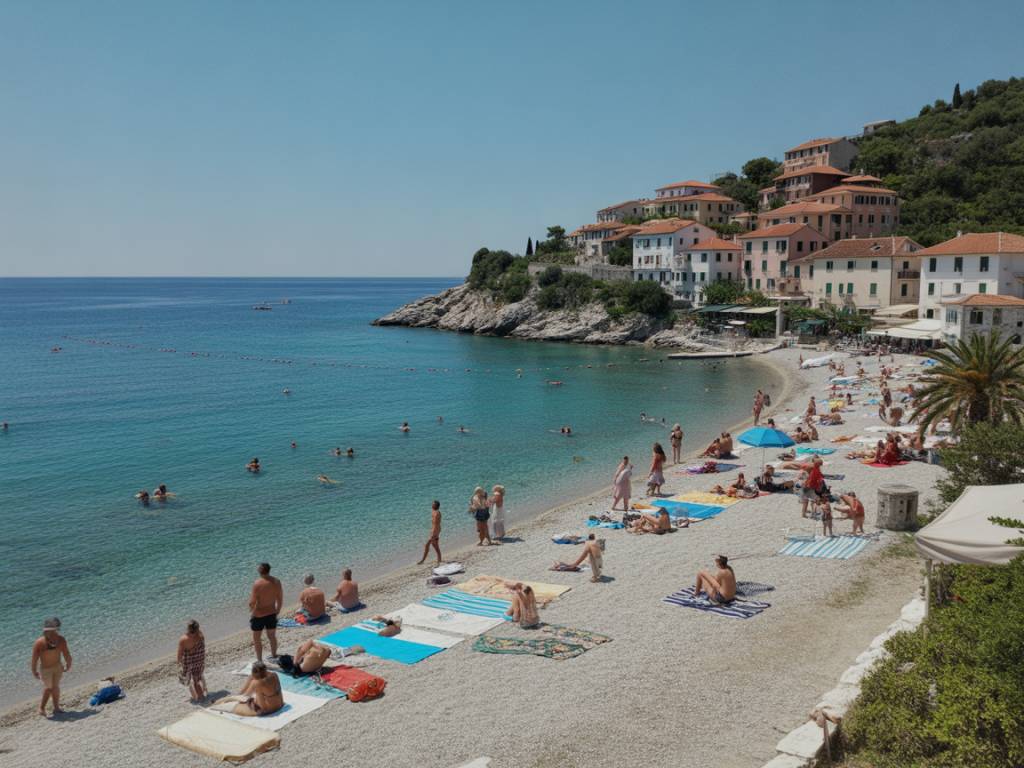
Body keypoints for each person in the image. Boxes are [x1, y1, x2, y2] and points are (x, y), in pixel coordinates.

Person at [211, 662, 284, 717]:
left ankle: (215, 704)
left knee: (230, 706)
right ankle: (230, 697)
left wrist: (233, 698)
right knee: (236, 697)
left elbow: (245, 696)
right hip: (279, 705)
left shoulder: (257, 683)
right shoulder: (274, 675)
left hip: (266, 710)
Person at [31, 617, 72, 717]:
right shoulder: (40, 643)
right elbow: (34, 659)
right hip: (46, 670)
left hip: (58, 667)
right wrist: (34, 670)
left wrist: (68, 663)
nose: (53, 635)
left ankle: (56, 707)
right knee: (48, 688)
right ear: (45, 632)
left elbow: (66, 653)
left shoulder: (61, 640)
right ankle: (41, 708)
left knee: (55, 687)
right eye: (50, 633)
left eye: (55, 632)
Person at [249, 563, 283, 663]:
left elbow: (252, 602)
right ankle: (274, 654)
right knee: (272, 636)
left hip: (259, 615)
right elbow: (280, 598)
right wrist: (278, 609)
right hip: (272, 612)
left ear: (260, 570)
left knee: (257, 638)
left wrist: (251, 611)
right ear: (269, 570)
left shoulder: (257, 583)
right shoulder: (277, 581)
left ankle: (259, 660)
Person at [177, 620, 207, 702]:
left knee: (192, 681)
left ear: (188, 629)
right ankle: (203, 691)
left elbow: (179, 656)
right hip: (199, 661)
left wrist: (179, 663)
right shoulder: (201, 636)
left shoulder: (183, 639)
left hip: (189, 663)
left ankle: (199, 697)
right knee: (197, 677)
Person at [417, 500, 443, 565]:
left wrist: (434, 534)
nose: (431, 505)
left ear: (435, 506)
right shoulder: (434, 512)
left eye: (433, 504)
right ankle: (438, 560)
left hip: (435, 532)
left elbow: (436, 524)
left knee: (430, 545)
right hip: (434, 531)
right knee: (434, 546)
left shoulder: (437, 513)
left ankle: (423, 560)